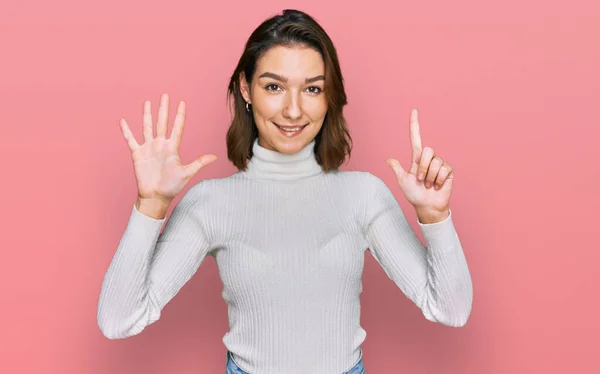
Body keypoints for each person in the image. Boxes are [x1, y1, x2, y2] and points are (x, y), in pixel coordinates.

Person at [97, 9, 473, 374]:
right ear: (246, 88)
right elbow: (118, 319)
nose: (293, 110)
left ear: (330, 97)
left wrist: (435, 217)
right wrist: (151, 205)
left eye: (312, 89)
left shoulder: (364, 195)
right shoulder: (210, 204)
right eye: (274, 87)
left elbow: (451, 310)